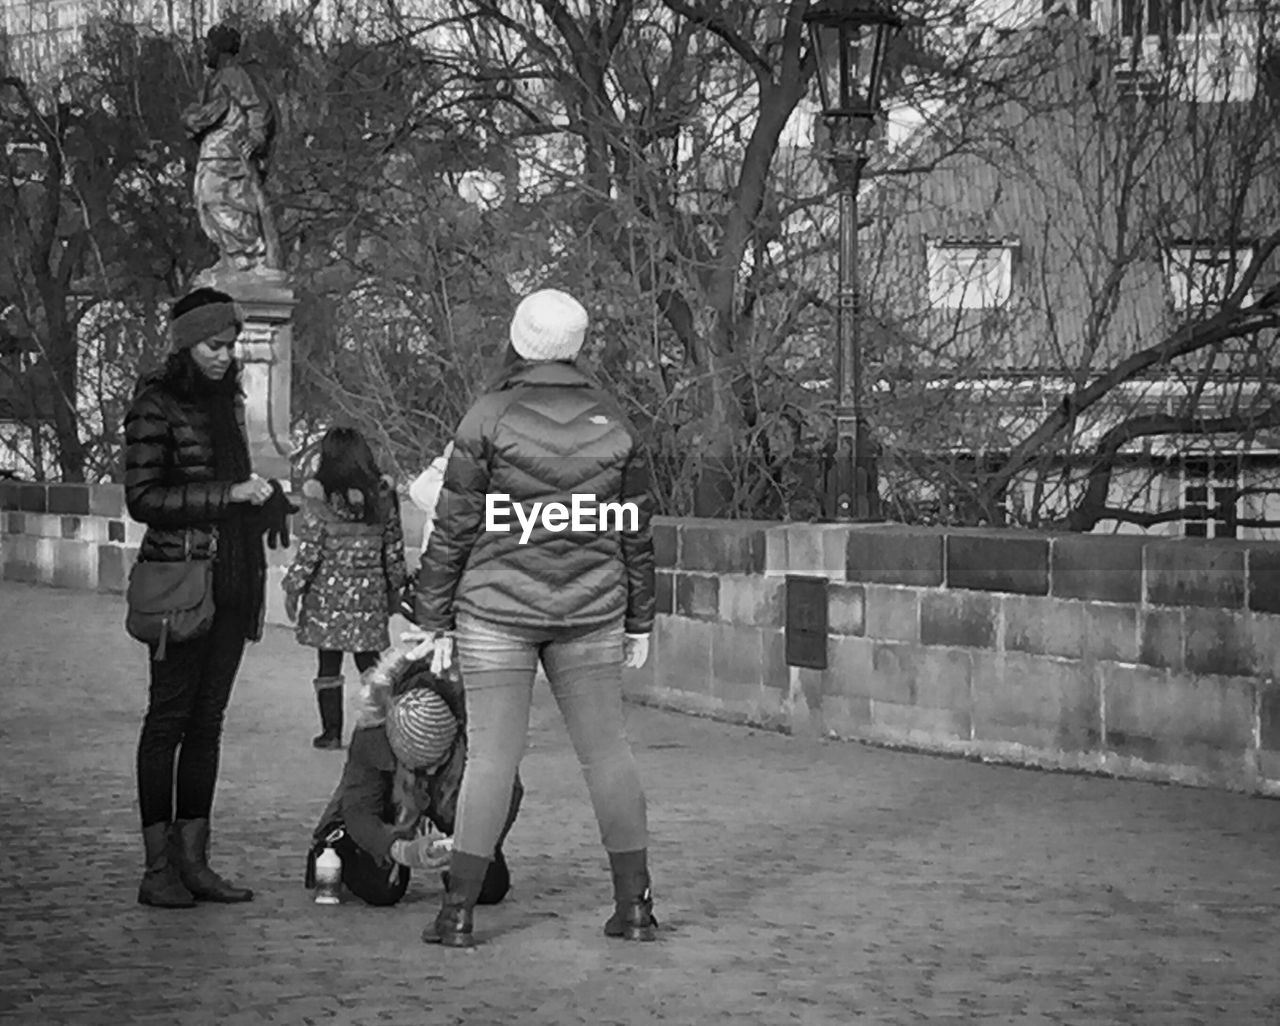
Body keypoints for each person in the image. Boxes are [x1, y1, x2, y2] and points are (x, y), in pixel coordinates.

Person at [413, 287, 657, 948]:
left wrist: (430, 615)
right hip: (592, 607)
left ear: (519, 340)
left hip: (497, 606)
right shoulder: (615, 419)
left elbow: (454, 528)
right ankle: (635, 908)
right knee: (608, 754)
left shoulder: (488, 415)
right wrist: (640, 618)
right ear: (578, 346)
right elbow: (633, 532)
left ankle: (458, 912)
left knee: (491, 758)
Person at [125, 285, 294, 908]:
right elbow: (143, 500)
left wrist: (267, 502)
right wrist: (229, 497)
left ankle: (195, 860)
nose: (225, 356)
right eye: (213, 346)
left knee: (207, 726)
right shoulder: (155, 403)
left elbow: (232, 488)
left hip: (229, 582)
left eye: (230, 345)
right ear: (186, 344)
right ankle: (157, 868)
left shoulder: (229, 403)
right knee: (167, 723)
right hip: (179, 585)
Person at [305, 647, 523, 906]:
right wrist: (400, 850)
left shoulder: (478, 728)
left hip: (451, 795)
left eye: (436, 763)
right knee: (380, 889)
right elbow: (359, 809)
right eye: (419, 766)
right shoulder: (372, 734)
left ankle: (457, 861)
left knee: (489, 888)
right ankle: (343, 854)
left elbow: (509, 790)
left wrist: (471, 843)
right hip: (391, 797)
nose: (428, 772)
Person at [283, 427, 408, 749]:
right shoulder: (382, 496)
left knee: (328, 664)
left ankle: (331, 732)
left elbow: (310, 550)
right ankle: (378, 726)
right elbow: (393, 549)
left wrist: (293, 587)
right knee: (371, 662)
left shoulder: (319, 497)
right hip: (371, 595)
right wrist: (397, 588)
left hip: (327, 598)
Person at [181, 23, 280, 271]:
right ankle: (233, 255)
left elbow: (256, 106)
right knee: (205, 200)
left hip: (229, 150)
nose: (204, 52)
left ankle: (248, 251)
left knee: (219, 196)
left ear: (220, 48)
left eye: (208, 47)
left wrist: (257, 136)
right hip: (214, 150)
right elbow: (210, 113)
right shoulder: (216, 79)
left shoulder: (233, 74)